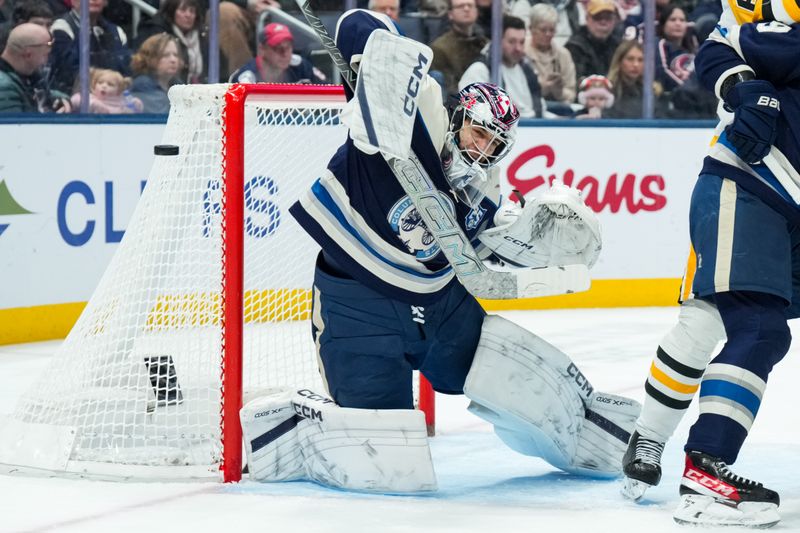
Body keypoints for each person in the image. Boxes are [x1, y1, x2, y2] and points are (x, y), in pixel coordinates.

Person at [240, 9, 640, 495]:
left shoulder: (485, 195)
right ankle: (297, 426)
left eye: (495, 143)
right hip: (358, 305)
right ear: (457, 117)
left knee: (516, 378)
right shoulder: (402, 121)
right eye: (477, 132)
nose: (481, 148)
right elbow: (352, 25)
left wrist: (552, 250)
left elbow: (501, 254)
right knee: (388, 463)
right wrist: (391, 54)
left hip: (439, 304)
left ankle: (580, 428)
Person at [621, 8, 800, 528]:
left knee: (744, 328)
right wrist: (745, 88)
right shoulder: (773, 30)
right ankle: (691, 464)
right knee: (722, 324)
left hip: (783, 207)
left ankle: (690, 458)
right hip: (748, 186)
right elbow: (722, 44)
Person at [458, 15, 545, 118]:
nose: (518, 48)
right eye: (512, 42)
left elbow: (541, 111)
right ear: (497, 41)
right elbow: (472, 115)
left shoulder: (527, 71)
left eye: (521, 42)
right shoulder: (479, 71)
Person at [48, 0, 132, 94]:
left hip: (115, 97)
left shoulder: (117, 32)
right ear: (72, 1)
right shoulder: (61, 28)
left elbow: (126, 71)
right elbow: (69, 74)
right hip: (74, 98)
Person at [0, 22, 69, 112]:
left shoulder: (27, 75)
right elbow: (19, 125)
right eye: (46, 55)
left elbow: (46, 93)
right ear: (28, 55)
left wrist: (62, 99)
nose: (47, 60)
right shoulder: (4, 89)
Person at [228, 22, 325, 84]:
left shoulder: (301, 66)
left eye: (288, 47)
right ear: (262, 49)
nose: (285, 53)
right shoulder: (245, 78)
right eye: (278, 48)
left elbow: (328, 95)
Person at [134, 0, 206, 84]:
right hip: (160, 86)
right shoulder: (155, 31)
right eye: (183, 10)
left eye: (192, 11)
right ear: (172, 11)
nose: (188, 15)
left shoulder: (201, 36)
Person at [429, 0, 487, 96]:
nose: (466, 9)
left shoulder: (484, 43)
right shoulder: (439, 48)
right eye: (461, 6)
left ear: (476, 11)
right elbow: (448, 89)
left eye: (470, 5)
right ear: (450, 14)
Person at [526, 3, 577, 106]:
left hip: (559, 108)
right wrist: (542, 88)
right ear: (531, 28)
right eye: (543, 30)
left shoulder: (564, 55)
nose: (548, 34)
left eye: (552, 30)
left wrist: (560, 92)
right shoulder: (521, 52)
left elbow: (572, 92)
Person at [604, 39, 666, 118]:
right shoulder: (606, 90)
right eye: (630, 59)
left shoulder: (654, 91)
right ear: (619, 61)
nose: (635, 64)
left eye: (640, 60)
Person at [565, 0, 621, 81]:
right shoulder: (575, 47)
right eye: (597, 17)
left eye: (608, 18)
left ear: (615, 21)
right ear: (587, 19)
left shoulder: (618, 46)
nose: (603, 22)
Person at [129, 33, 180, 113]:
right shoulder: (143, 84)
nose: (173, 60)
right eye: (166, 55)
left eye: (175, 55)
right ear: (150, 58)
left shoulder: (177, 84)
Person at [655, 4, 697, 92]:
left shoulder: (694, 45)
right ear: (663, 25)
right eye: (672, 19)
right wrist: (687, 90)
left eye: (682, 20)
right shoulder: (660, 44)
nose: (678, 23)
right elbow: (662, 72)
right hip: (674, 97)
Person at [69, 67, 141, 113]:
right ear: (94, 85)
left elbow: (135, 110)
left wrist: (135, 106)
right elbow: (74, 99)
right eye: (100, 83)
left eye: (110, 84)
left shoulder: (123, 101)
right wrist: (91, 103)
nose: (104, 86)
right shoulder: (90, 98)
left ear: (119, 90)